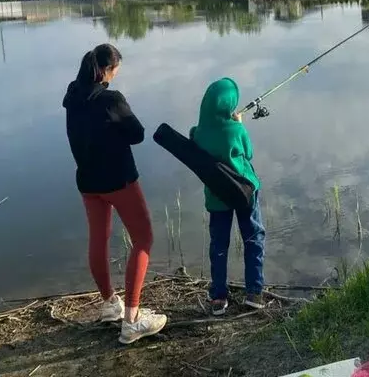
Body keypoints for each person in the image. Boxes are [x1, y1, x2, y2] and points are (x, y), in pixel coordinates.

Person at [63, 44, 166, 345]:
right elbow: (137, 134)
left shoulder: (72, 97)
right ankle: (131, 321)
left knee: (99, 238)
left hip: (87, 181)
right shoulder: (111, 99)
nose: (116, 76)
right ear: (106, 71)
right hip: (119, 180)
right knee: (144, 238)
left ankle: (110, 303)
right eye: (115, 70)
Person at [190, 77, 265, 316]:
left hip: (217, 197)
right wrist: (239, 123)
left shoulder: (198, 133)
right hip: (244, 192)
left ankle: (218, 297)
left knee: (219, 245)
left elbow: (196, 137)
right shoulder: (236, 129)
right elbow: (249, 153)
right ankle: (254, 292)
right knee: (253, 238)